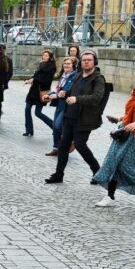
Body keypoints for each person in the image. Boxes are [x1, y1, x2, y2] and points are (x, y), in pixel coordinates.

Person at [93, 62, 135, 207]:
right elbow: (130, 114)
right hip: (125, 130)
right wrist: (118, 118)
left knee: (126, 165)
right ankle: (110, 197)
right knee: (113, 161)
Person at [45, 51, 106, 184]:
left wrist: (77, 99)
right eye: (84, 60)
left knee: (80, 145)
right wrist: (64, 92)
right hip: (69, 116)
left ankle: (98, 172)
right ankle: (58, 174)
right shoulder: (78, 76)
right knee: (63, 146)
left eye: (89, 60)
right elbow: (71, 91)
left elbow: (96, 97)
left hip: (84, 118)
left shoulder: (98, 78)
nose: (86, 62)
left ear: (94, 62)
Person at [42, 57, 79, 156]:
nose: (66, 65)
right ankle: (56, 148)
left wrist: (61, 93)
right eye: (65, 63)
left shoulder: (75, 76)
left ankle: (71, 141)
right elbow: (57, 89)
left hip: (67, 105)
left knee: (58, 125)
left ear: (74, 66)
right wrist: (49, 95)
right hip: (59, 103)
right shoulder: (64, 75)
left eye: (68, 64)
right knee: (55, 126)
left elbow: (65, 90)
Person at [23, 50, 56, 137]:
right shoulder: (41, 65)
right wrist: (29, 80)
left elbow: (46, 81)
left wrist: (34, 80)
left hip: (42, 91)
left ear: (50, 58)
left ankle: (54, 126)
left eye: (46, 56)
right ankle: (29, 130)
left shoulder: (52, 68)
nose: (44, 57)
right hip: (33, 90)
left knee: (38, 113)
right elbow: (35, 76)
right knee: (27, 109)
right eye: (43, 55)